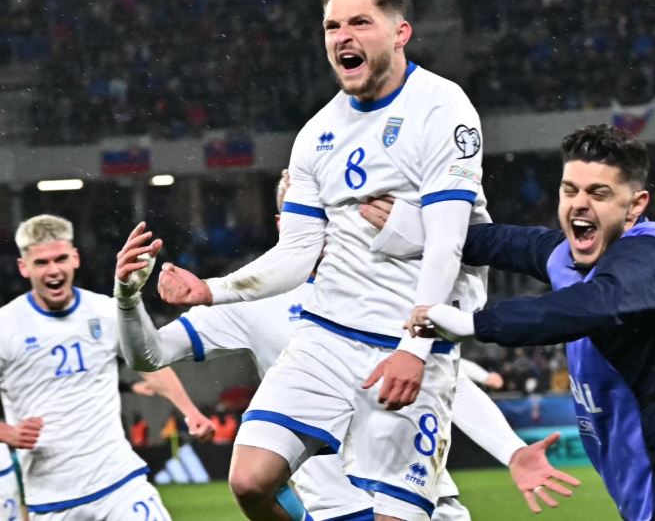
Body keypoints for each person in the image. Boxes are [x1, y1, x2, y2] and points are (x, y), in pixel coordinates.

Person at [153, 0, 494, 521]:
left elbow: (447, 243)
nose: (342, 37)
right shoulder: (317, 133)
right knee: (250, 481)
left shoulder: (442, 107)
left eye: (360, 22)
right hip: (327, 334)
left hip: (407, 339)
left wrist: (414, 347)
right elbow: (298, 252)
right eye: (333, 26)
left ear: (400, 33)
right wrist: (211, 290)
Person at [113, 173, 580, 520]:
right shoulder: (250, 298)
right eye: (312, 211)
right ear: (284, 223)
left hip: (425, 501)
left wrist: (513, 450)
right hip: (336, 509)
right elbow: (148, 355)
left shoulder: (394, 289)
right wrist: (129, 300)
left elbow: (447, 383)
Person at [370, 124, 655, 521]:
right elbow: (501, 242)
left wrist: (476, 324)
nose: (579, 204)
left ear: (636, 205)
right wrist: (419, 230)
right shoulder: (567, 257)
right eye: (570, 190)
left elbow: (595, 303)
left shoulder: (653, 257)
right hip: (654, 496)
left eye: (599, 193)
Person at [0, 214, 214, 520]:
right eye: (41, 263)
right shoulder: (6, 326)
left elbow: (148, 364)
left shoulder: (104, 310)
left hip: (120, 484)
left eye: (60, 259)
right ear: (24, 267)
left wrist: (189, 411)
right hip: (51, 500)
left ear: (75, 258)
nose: (53, 270)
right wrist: (6, 432)